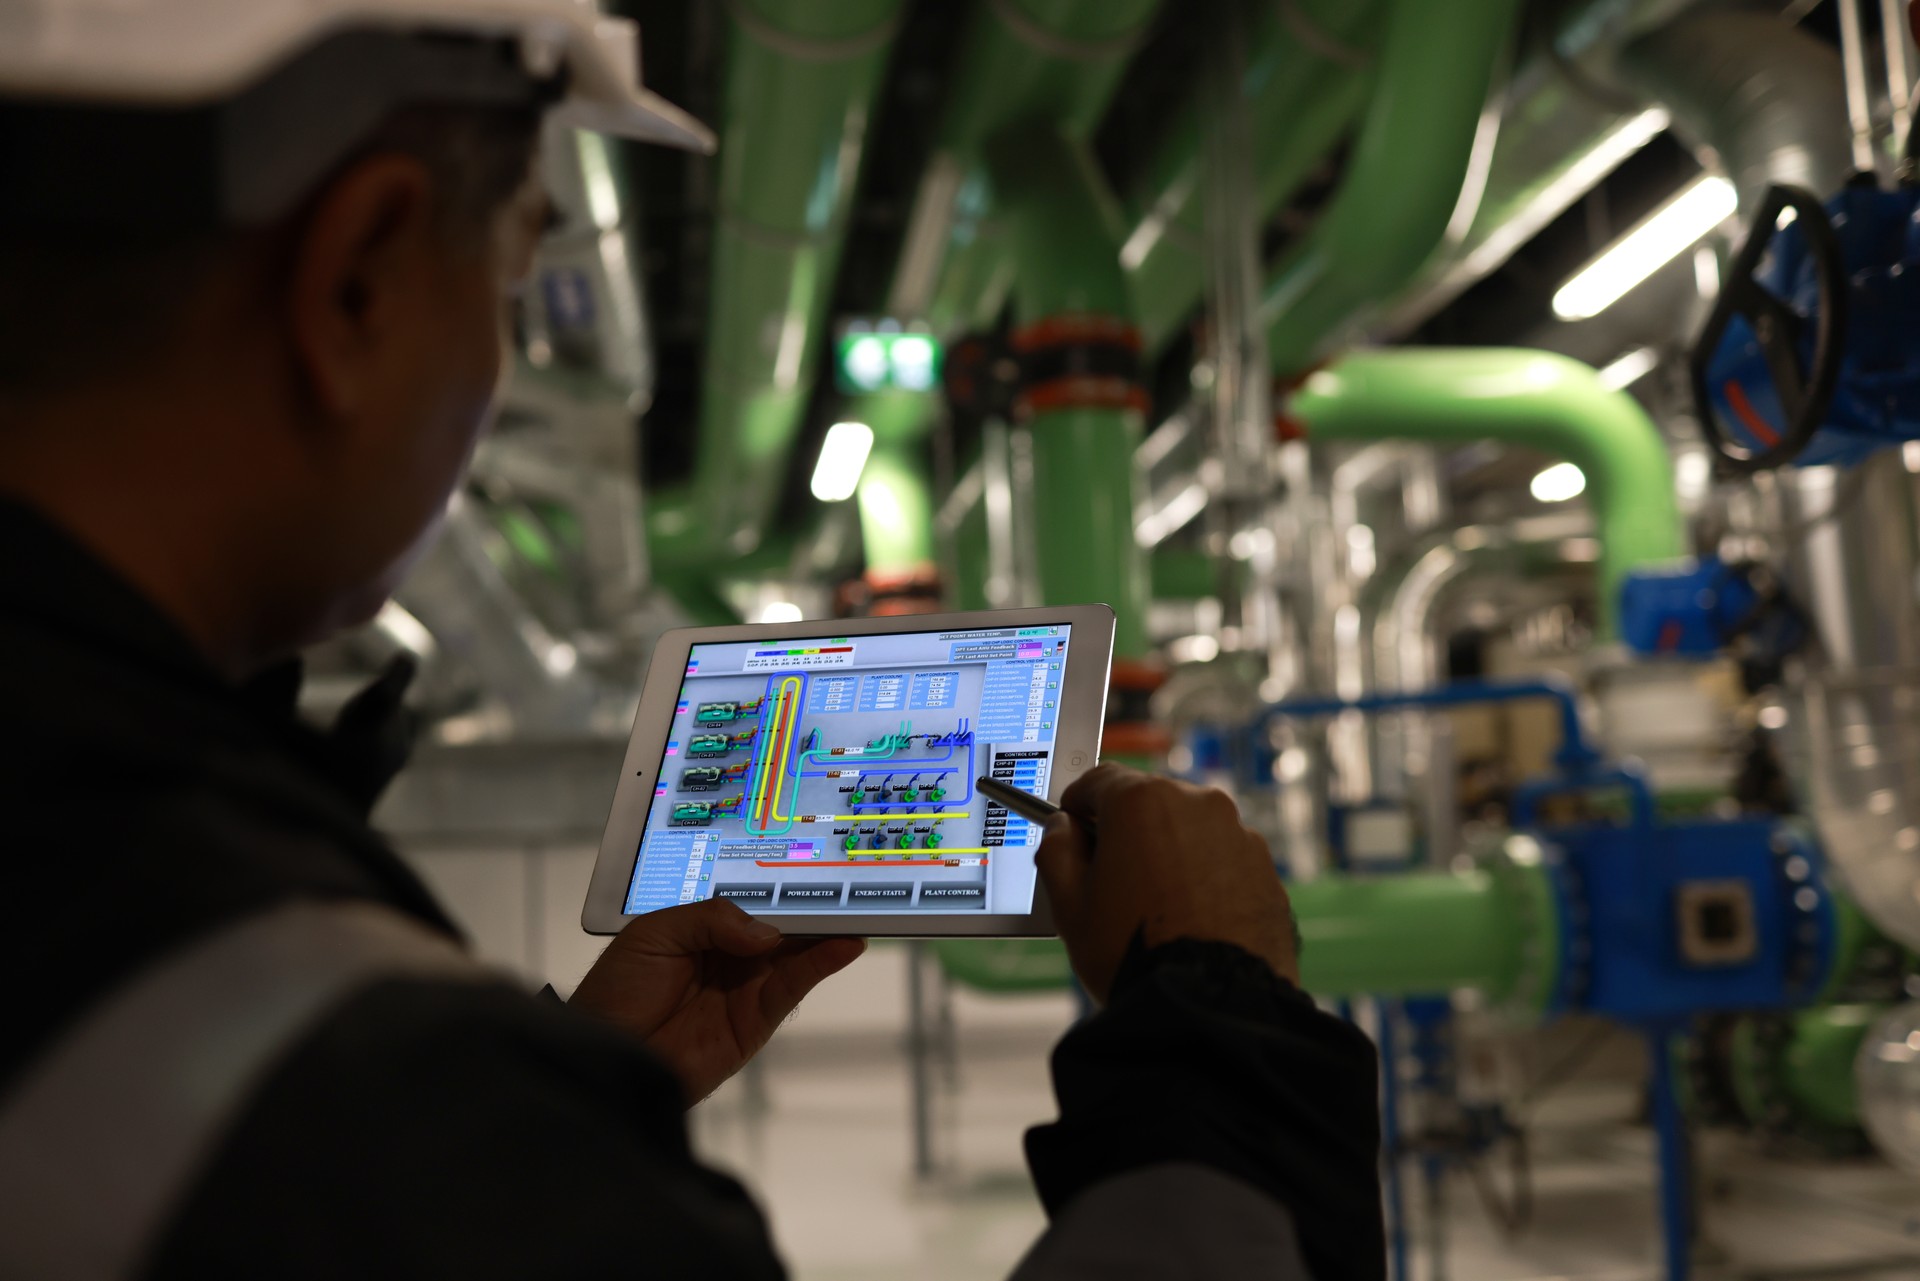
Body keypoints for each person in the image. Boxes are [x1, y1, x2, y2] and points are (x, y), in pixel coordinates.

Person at [0, 4, 1384, 1278]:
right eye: (516, 272)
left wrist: (561, 1088)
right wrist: (1225, 1032)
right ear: (359, 275)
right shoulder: (327, 1078)